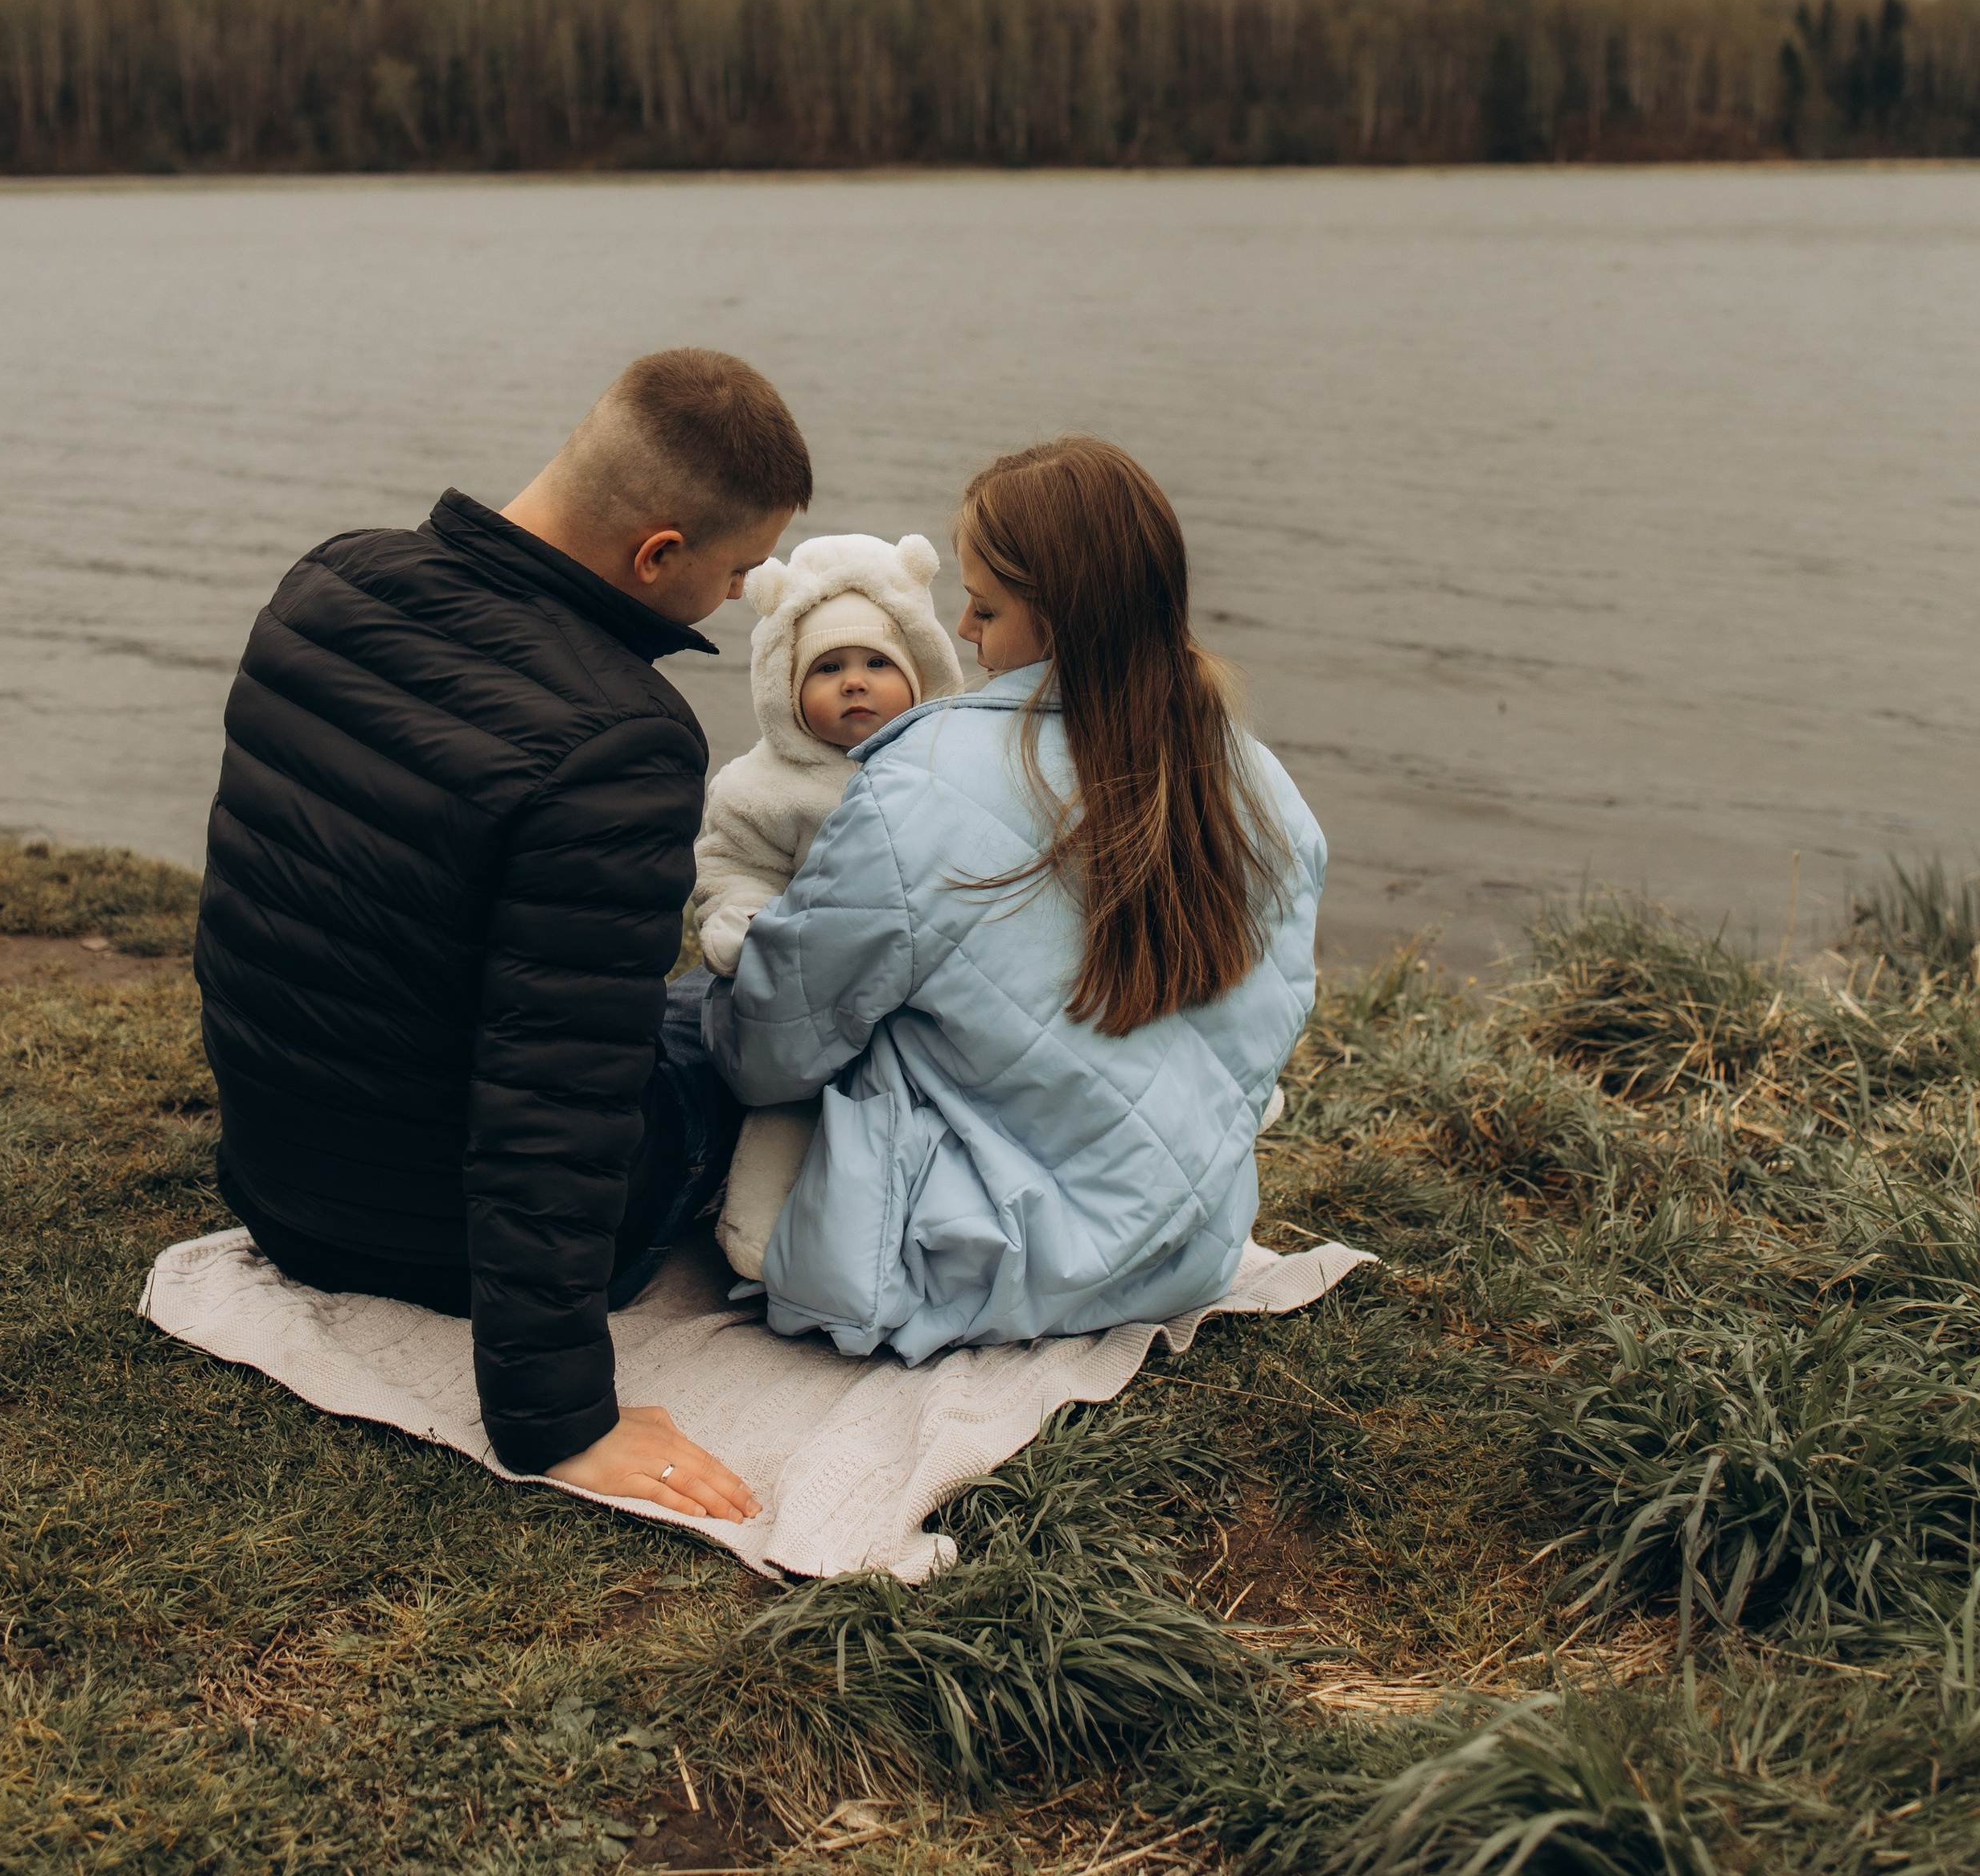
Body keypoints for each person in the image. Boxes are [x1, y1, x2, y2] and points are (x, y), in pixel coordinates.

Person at [192, 347, 811, 1521]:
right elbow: (557, 1102)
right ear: (659, 554)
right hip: (431, 1247)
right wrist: (558, 1418)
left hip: (282, 1189)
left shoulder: (326, 582)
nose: (740, 597)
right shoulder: (624, 740)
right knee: (740, 1017)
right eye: (738, 569)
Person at [701, 436, 1324, 1360]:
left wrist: (722, 985)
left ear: (1059, 611)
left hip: (954, 1255)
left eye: (984, 606)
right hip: (1185, 1249)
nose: (960, 630)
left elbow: (769, 1056)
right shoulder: (1258, 783)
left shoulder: (924, 778)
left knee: (690, 1019)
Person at [684, 529, 966, 1277]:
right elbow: (732, 863)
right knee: (789, 1109)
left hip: (921, 987)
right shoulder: (764, 786)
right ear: (783, 682)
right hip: (809, 985)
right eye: (830, 667)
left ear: (922, 670)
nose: (855, 682)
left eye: (878, 663)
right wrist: (739, 919)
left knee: (912, 1116)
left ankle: (909, 1231)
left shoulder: (944, 768)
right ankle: (758, 1235)